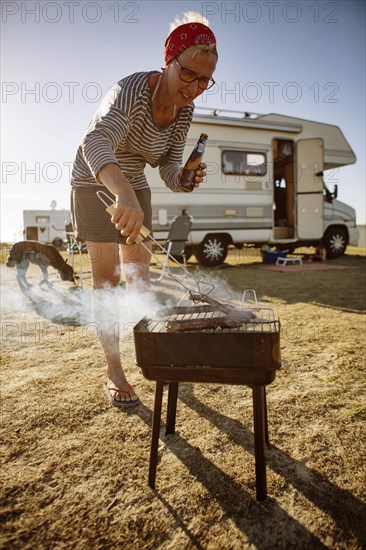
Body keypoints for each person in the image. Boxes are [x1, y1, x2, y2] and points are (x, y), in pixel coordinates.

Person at [70, 11, 218, 408]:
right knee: (107, 282)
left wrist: (183, 178)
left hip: (133, 183)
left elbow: (168, 166)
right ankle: (114, 370)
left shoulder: (184, 110)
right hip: (94, 180)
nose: (195, 87)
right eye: (189, 74)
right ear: (168, 61)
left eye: (205, 80)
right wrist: (122, 192)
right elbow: (94, 140)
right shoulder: (130, 91)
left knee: (140, 280)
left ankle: (155, 357)